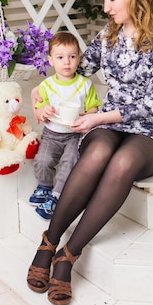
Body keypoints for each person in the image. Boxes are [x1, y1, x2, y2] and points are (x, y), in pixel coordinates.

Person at [26, 0, 153, 305]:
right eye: (104, 0)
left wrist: (98, 118)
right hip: (109, 123)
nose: (106, 8)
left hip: (152, 130)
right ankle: (48, 242)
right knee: (97, 153)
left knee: (123, 163)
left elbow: (152, 101)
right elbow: (71, 68)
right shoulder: (107, 35)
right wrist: (43, 91)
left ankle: (68, 255)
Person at [29, 31, 101, 220]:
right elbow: (38, 109)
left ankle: (57, 196)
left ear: (79, 58)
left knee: (69, 162)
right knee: (43, 160)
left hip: (74, 135)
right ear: (51, 60)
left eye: (72, 57)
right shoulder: (47, 85)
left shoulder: (85, 85)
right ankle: (44, 187)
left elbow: (93, 107)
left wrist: (88, 115)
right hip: (51, 133)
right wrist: (42, 111)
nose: (67, 62)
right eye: (60, 57)